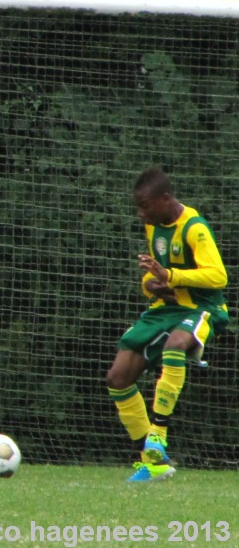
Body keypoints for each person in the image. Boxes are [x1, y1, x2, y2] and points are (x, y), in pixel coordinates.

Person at [106, 166, 229, 483]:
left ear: (164, 198)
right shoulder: (153, 227)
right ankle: (152, 461)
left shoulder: (193, 228)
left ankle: (157, 436)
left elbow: (218, 276)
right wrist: (152, 284)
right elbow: (153, 275)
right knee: (118, 377)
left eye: (144, 205)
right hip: (166, 308)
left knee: (177, 344)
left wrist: (171, 278)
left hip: (203, 308)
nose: (140, 212)